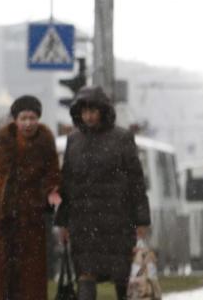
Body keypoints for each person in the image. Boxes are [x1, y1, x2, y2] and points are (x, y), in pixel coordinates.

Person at [55, 86, 151, 300]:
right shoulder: (74, 141)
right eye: (84, 111)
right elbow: (67, 183)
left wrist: (141, 221)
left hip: (117, 223)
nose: (88, 116)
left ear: (103, 111)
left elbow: (136, 182)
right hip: (83, 223)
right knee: (85, 277)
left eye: (93, 110)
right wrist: (63, 222)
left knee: (123, 278)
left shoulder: (122, 138)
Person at [0, 95, 61, 300]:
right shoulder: (2, 144)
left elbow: (53, 174)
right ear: (15, 120)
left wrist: (52, 192)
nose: (28, 123)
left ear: (39, 119)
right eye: (24, 118)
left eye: (33, 118)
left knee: (30, 282)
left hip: (31, 221)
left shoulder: (45, 145)